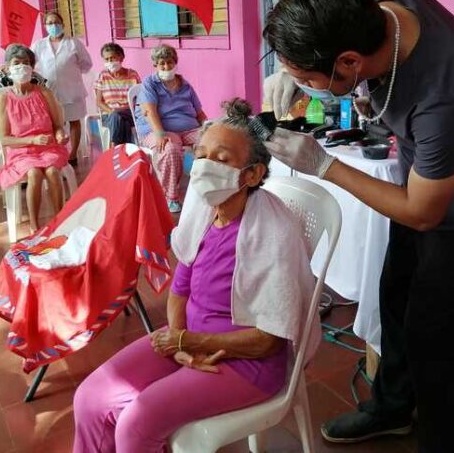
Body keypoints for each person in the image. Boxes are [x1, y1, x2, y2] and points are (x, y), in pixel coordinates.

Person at [262, 0, 454, 453]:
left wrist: (322, 164)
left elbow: (424, 212)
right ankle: (392, 408)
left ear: (347, 62)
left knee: (441, 335)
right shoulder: (373, 7)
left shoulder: (447, 87)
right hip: (423, 176)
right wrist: (294, 75)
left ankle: (446, 443)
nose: (303, 87)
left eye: (307, 78)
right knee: (397, 295)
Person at [73, 98, 318, 453]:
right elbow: (180, 289)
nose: (204, 167)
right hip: (188, 335)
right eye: (201, 155)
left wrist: (190, 343)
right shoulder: (202, 211)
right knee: (90, 399)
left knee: (136, 425)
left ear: (251, 174)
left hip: (248, 363)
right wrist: (178, 338)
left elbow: (269, 340)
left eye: (220, 159)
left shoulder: (273, 233)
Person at [0, 44, 69, 234]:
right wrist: (33, 141)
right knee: (34, 173)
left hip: (49, 148)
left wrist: (60, 135)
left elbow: (57, 125)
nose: (22, 67)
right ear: (7, 68)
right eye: (16, 63)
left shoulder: (44, 93)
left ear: (32, 67)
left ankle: (59, 219)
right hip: (21, 152)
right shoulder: (4, 99)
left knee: (52, 172)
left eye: (26, 63)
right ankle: (34, 226)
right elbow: (5, 139)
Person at [135, 44, 207, 213]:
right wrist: (160, 134)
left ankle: (206, 188)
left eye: (169, 62)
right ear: (156, 65)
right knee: (170, 150)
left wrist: (209, 128)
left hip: (189, 128)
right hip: (160, 129)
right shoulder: (150, 84)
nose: (166, 67)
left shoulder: (185, 85)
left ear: (175, 62)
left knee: (213, 143)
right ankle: (171, 197)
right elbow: (149, 111)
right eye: (162, 63)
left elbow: (199, 113)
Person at [31, 12, 92, 166]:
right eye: (50, 23)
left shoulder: (74, 43)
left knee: (74, 120)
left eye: (57, 22)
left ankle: (72, 155)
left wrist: (70, 71)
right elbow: (30, 62)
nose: (53, 25)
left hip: (72, 89)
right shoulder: (39, 45)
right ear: (45, 26)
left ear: (63, 24)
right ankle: (56, 152)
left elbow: (86, 63)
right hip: (49, 91)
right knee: (51, 123)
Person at [94, 42, 141, 146]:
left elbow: (140, 98)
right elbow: (98, 101)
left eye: (113, 58)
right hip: (110, 115)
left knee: (120, 117)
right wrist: (111, 111)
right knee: (118, 118)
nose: (110, 61)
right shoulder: (103, 76)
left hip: (130, 114)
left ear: (121, 57)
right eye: (107, 59)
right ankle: (124, 150)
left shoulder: (133, 75)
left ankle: (114, 148)